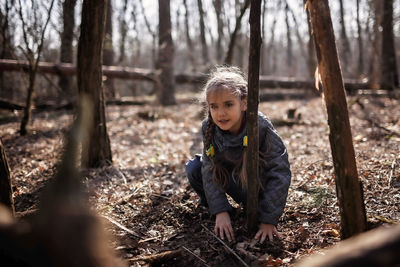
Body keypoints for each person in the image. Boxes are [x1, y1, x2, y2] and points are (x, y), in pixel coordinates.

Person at [186, 66, 291, 243]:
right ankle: (223, 211)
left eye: (228, 104)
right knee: (195, 167)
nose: (221, 113)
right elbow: (208, 169)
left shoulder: (260, 125)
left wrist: (268, 219)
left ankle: (256, 211)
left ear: (244, 103)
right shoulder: (208, 127)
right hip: (232, 181)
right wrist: (220, 210)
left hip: (257, 186)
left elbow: (279, 172)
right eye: (214, 106)